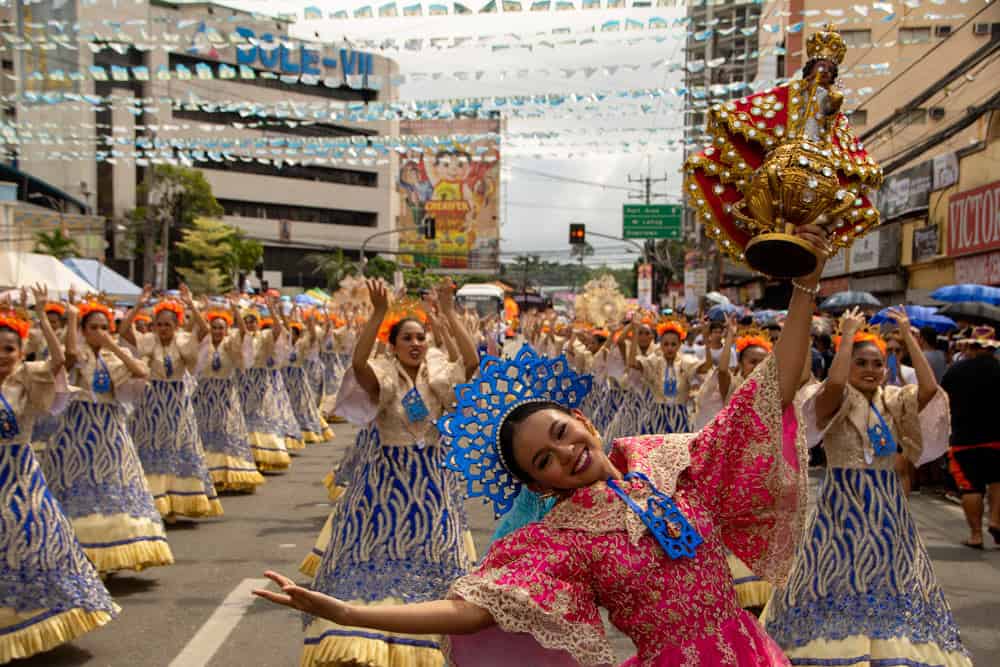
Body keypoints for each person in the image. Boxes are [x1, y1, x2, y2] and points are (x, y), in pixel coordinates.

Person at [255, 226, 828, 666]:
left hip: (756, 652)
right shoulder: (563, 538)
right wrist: (348, 611)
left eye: (561, 434)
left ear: (581, 420)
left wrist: (805, 284)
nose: (567, 454)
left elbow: (773, 388)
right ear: (539, 484)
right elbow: (474, 610)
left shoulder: (670, 463)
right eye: (544, 461)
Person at [765, 307, 971, 666]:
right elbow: (833, 385)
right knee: (836, 570)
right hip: (842, 501)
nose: (871, 370)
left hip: (887, 503)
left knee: (892, 574)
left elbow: (929, 389)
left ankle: (889, 644)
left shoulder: (893, 400)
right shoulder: (834, 398)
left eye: (877, 364)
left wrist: (907, 336)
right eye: (862, 363)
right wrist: (845, 339)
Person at [298, 279, 481, 667]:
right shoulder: (383, 376)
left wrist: (448, 312)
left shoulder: (438, 378)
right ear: (394, 345)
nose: (415, 344)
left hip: (433, 486)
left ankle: (429, 649)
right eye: (407, 338)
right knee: (378, 563)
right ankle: (369, 646)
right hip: (385, 490)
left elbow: (472, 363)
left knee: (434, 567)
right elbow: (358, 365)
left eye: (420, 338)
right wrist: (378, 314)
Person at [0, 287, 118, 662]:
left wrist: (55, 318)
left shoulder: (25, 381)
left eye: (8, 350)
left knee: (29, 542)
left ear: (21, 353)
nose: (1, 357)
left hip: (18, 478)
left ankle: (34, 622)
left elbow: (64, 357)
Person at [41, 297, 174, 574]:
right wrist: (74, 318)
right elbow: (68, 358)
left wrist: (113, 345)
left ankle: (115, 549)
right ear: (84, 331)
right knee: (75, 483)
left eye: (104, 327)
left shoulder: (112, 357)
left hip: (109, 428)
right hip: (77, 428)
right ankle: (76, 551)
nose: (100, 332)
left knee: (114, 483)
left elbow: (141, 372)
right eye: (94, 328)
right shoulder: (78, 356)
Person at [122, 284, 222, 520]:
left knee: (178, 447)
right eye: (159, 324)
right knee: (151, 448)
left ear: (176, 325)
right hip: (151, 402)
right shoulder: (147, 340)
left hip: (176, 401)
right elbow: (125, 330)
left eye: (168, 324)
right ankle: (156, 503)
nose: (163, 329)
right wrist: (139, 305)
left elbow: (205, 332)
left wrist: (191, 306)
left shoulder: (184, 340)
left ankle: (180, 501)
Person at [192, 300, 265, 493]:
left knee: (226, 432)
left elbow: (243, 334)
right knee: (204, 432)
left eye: (220, 328)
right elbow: (200, 327)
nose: (217, 331)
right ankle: (209, 475)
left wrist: (236, 312)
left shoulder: (230, 344)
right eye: (214, 327)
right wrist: (192, 307)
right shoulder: (204, 344)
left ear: (226, 330)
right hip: (204, 395)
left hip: (225, 393)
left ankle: (231, 474)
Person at [941, 325, 1000, 549]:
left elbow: (943, 399)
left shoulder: (956, 371)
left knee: (971, 487)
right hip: (997, 437)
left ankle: (976, 535)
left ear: (971, 346)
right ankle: (995, 520)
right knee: (997, 481)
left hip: (964, 438)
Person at [239, 299, 294, 472]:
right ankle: (246, 455)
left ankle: (263, 454)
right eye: (246, 321)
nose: (250, 324)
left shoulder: (264, 336)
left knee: (260, 415)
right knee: (244, 416)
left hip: (261, 380)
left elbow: (279, 332)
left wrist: (273, 312)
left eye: (253, 321)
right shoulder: (239, 337)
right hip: (242, 381)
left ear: (258, 323)